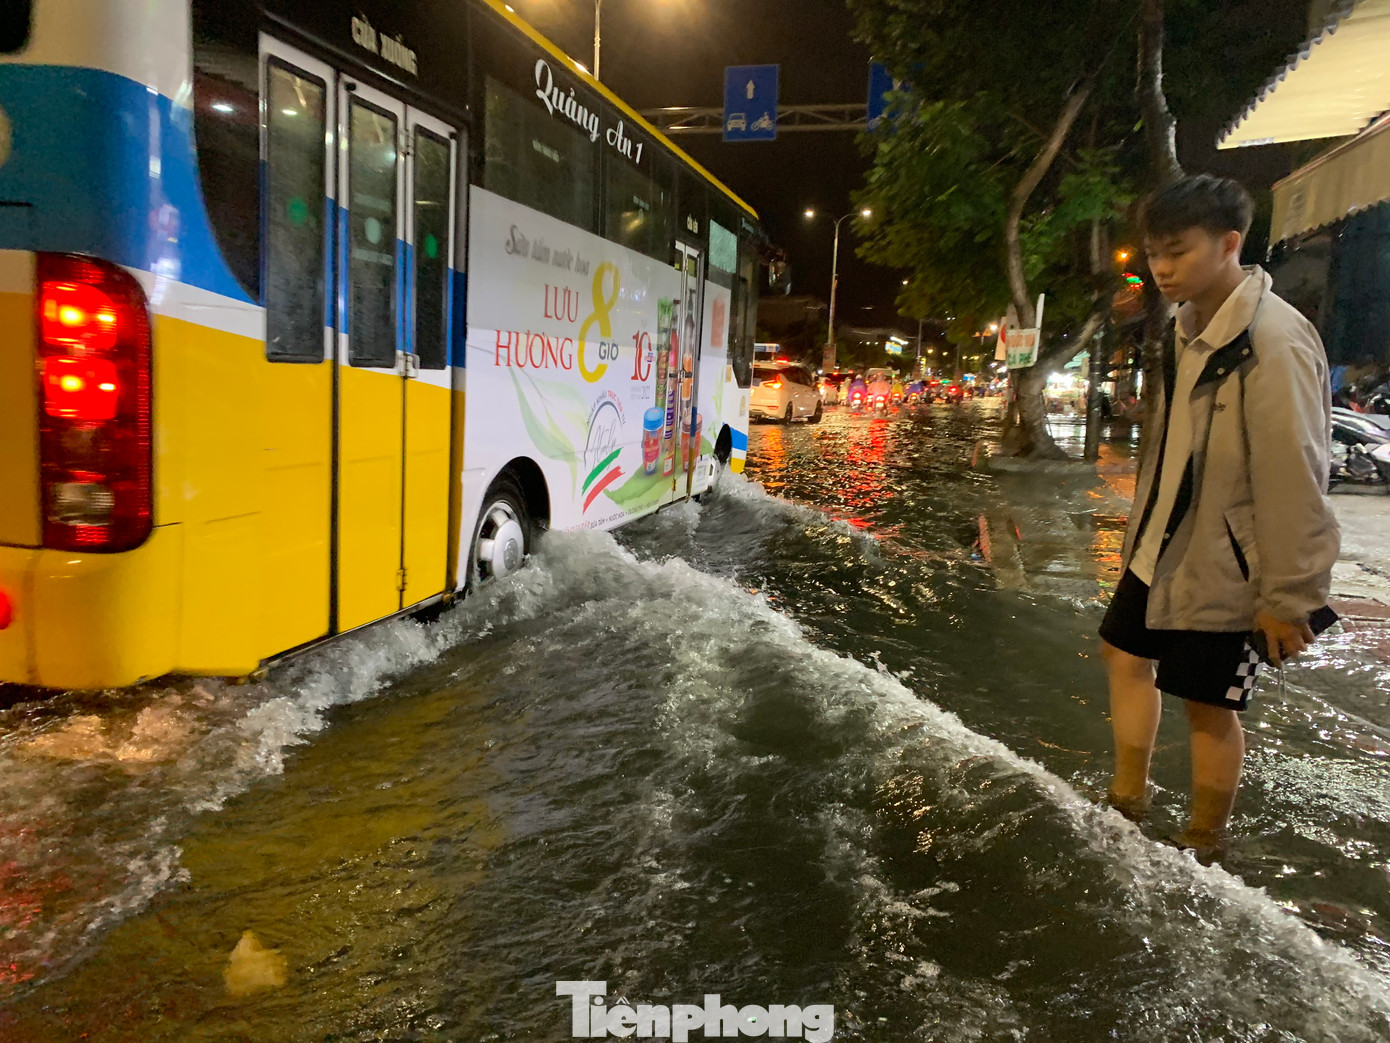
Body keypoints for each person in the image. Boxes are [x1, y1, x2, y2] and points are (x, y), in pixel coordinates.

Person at [1098, 175, 1341, 854]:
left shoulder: (1274, 340)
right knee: (1121, 652)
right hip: (1164, 547)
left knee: (1208, 707)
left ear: (1230, 243)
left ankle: (1204, 840)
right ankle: (1126, 799)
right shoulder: (1185, 328)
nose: (1162, 268)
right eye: (1153, 254)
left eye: (1177, 251)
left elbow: (1297, 474)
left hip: (1230, 567)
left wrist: (1288, 597)